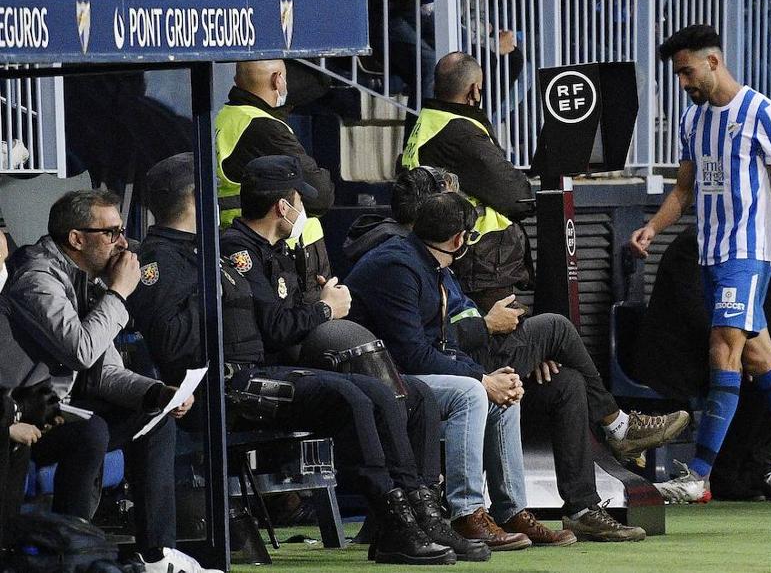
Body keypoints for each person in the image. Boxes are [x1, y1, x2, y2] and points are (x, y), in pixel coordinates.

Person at [347, 168, 685, 540]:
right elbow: (418, 348)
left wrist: (506, 358)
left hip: (460, 357)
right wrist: (485, 366)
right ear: (453, 231)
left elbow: (442, 333)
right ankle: (616, 425)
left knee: (566, 383)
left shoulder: (430, 257)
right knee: (552, 329)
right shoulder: (401, 261)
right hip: (412, 374)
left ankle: (572, 509)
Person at [216, 155, 462, 564]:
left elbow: (287, 315)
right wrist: (325, 309)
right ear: (282, 206)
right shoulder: (239, 251)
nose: (304, 209)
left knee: (415, 393)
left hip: (293, 365)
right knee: (361, 394)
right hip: (257, 378)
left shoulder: (277, 249)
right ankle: (393, 516)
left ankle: (422, 513)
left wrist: (316, 301)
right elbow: (274, 330)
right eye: (299, 199)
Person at [629, 24, 771, 506]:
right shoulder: (693, 120)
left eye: (687, 71)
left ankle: (699, 475)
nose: (682, 82)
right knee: (760, 359)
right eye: (677, 74)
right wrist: (653, 228)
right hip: (710, 253)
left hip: (748, 254)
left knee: (723, 350)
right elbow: (683, 189)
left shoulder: (761, 112)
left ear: (714, 62)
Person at [4, 188, 218, 573]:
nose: (123, 242)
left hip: (55, 405)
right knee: (92, 431)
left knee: (155, 418)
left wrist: (156, 393)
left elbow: (104, 371)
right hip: (17, 409)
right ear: (76, 238)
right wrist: (118, 294)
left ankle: (157, 556)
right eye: (112, 233)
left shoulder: (88, 279)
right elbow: (81, 351)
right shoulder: (36, 280)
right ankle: (72, 553)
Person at [399, 52, 532, 312]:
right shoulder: (459, 132)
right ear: (474, 91)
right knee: (506, 344)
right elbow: (519, 198)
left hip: (457, 253)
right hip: (480, 263)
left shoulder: (426, 122)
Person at [215, 59, 334, 298]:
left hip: (243, 241)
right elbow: (320, 195)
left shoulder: (225, 117)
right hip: (284, 248)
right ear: (277, 79)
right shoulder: (263, 126)